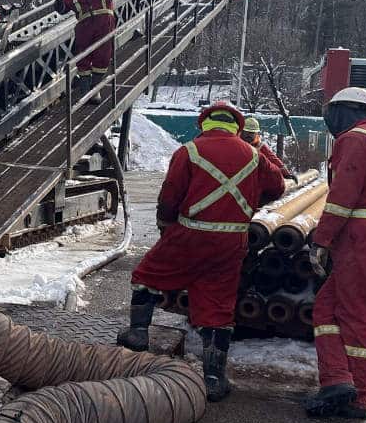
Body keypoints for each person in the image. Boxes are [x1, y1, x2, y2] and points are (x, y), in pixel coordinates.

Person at [119, 101, 285, 401]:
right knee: (218, 306)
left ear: (204, 123)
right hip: (231, 241)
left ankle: (138, 334)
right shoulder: (254, 155)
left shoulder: (189, 151)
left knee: (147, 275)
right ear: (236, 126)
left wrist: (166, 224)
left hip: (189, 234)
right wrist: (249, 203)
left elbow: (170, 195)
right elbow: (278, 187)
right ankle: (213, 378)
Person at [304, 87, 366, 419]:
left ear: (343, 112)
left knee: (358, 316)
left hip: (363, 239)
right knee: (326, 309)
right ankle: (338, 382)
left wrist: (322, 240)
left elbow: (342, 197)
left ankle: (356, 398)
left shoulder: (355, 139)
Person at [55, 0, 127, 95]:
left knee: (103, 54)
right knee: (83, 55)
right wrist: (59, 5)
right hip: (84, 27)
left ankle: (95, 88)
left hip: (104, 23)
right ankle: (85, 89)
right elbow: (64, 9)